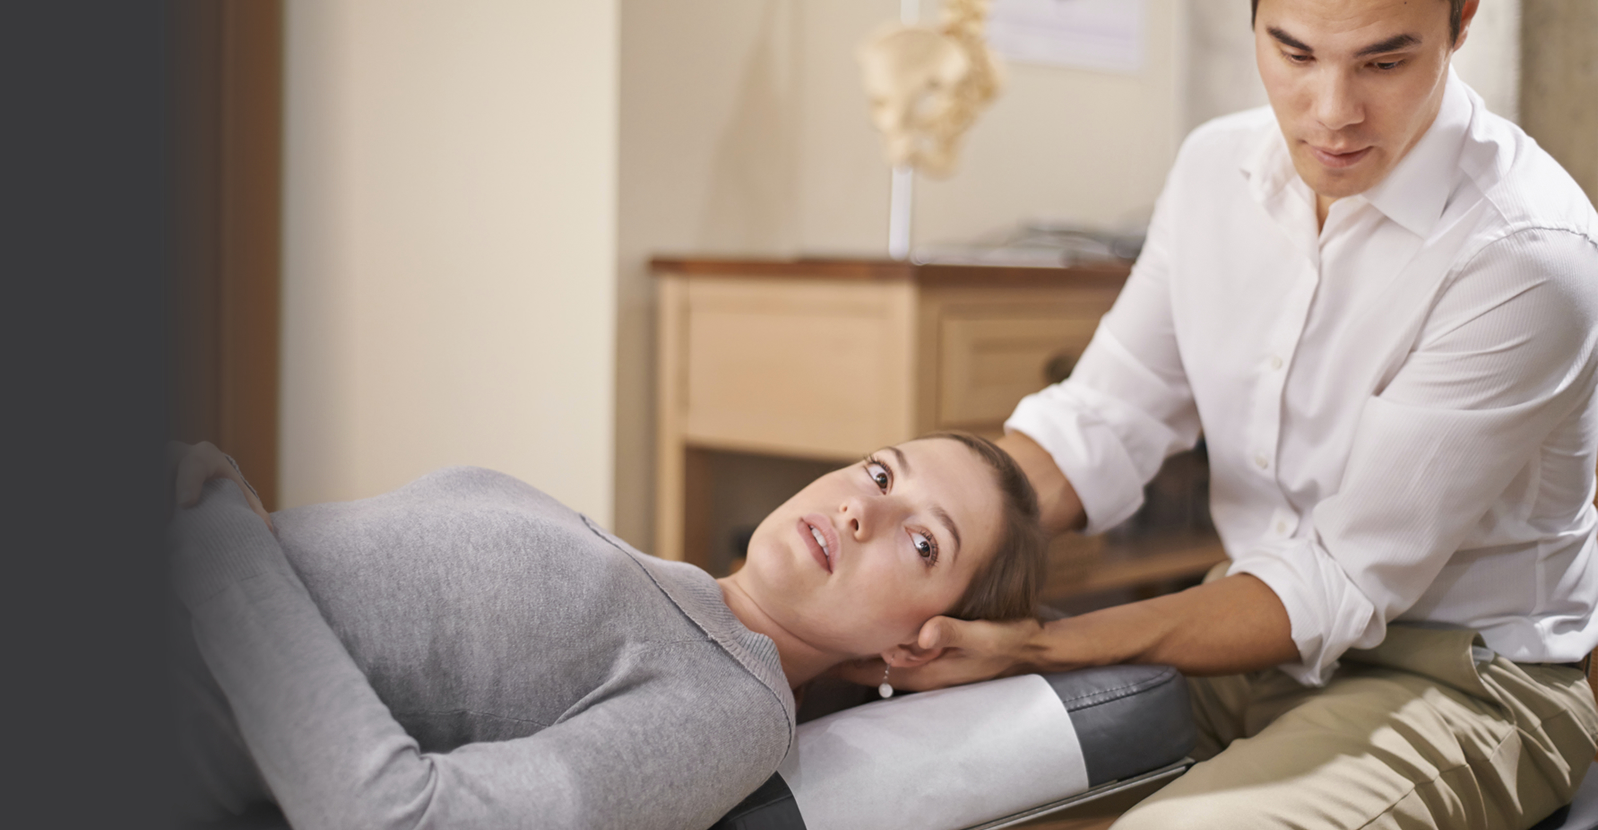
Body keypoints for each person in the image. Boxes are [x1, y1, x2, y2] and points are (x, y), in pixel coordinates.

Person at [855, 0, 1598, 828]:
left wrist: (1036, 646)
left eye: (1384, 63)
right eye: (1295, 53)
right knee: (867, 763)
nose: (1333, 111)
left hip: (1459, 679)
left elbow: (1338, 578)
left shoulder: (1528, 253)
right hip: (1245, 640)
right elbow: (1100, 419)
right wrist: (886, 557)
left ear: (1461, 24)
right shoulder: (1215, 169)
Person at [167, 432, 1045, 830]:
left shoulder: (731, 710)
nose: (862, 510)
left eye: (923, 543)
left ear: (914, 644)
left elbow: (396, 819)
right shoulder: (665, 587)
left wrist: (217, 544)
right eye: (882, 473)